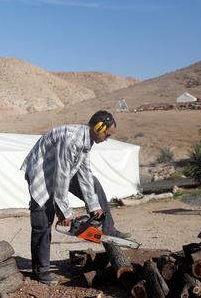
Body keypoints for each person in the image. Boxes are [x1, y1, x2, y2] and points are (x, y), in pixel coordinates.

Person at [21, 110, 130, 285]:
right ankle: (40, 270)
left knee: (93, 183)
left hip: (60, 172)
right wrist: (64, 211)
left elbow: (84, 172)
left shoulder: (87, 140)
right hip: (42, 174)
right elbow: (61, 176)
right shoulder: (72, 139)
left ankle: (107, 227)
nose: (107, 138)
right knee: (43, 221)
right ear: (98, 127)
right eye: (107, 135)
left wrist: (94, 206)